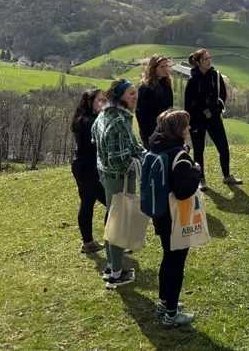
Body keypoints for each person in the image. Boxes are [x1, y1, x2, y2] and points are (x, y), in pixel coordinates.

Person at [146, 109, 203, 328]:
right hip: (175, 217)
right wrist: (196, 171)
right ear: (180, 130)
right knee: (176, 263)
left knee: (167, 257)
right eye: (187, 125)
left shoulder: (157, 147)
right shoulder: (179, 156)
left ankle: (164, 302)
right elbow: (182, 191)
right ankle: (172, 314)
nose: (190, 128)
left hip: (161, 214)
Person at [92, 77, 146, 289]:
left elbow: (96, 138)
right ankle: (115, 274)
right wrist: (140, 162)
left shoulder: (106, 114)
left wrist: (143, 153)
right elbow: (120, 161)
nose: (135, 97)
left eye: (136, 93)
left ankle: (111, 266)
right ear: (119, 96)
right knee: (119, 225)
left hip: (107, 176)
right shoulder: (117, 122)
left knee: (113, 221)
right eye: (131, 93)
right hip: (119, 180)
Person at [183, 49, 241, 190]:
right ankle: (201, 179)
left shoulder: (216, 76)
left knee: (223, 147)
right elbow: (188, 105)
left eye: (209, 58)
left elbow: (222, 95)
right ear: (198, 62)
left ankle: (227, 175)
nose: (209, 61)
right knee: (199, 150)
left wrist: (214, 111)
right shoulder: (192, 81)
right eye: (205, 59)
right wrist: (201, 113)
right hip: (197, 120)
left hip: (214, 118)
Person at [71, 88, 107, 254]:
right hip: (88, 169)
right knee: (113, 203)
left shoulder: (83, 119)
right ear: (89, 102)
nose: (103, 103)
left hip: (81, 167)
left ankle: (88, 243)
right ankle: (113, 242)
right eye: (100, 100)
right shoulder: (89, 122)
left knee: (87, 203)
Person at [136, 54, 174, 148]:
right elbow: (140, 113)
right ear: (154, 69)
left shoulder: (167, 86)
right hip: (150, 131)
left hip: (166, 130)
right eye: (162, 67)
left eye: (166, 66)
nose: (165, 69)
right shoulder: (146, 88)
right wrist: (149, 133)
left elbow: (170, 108)